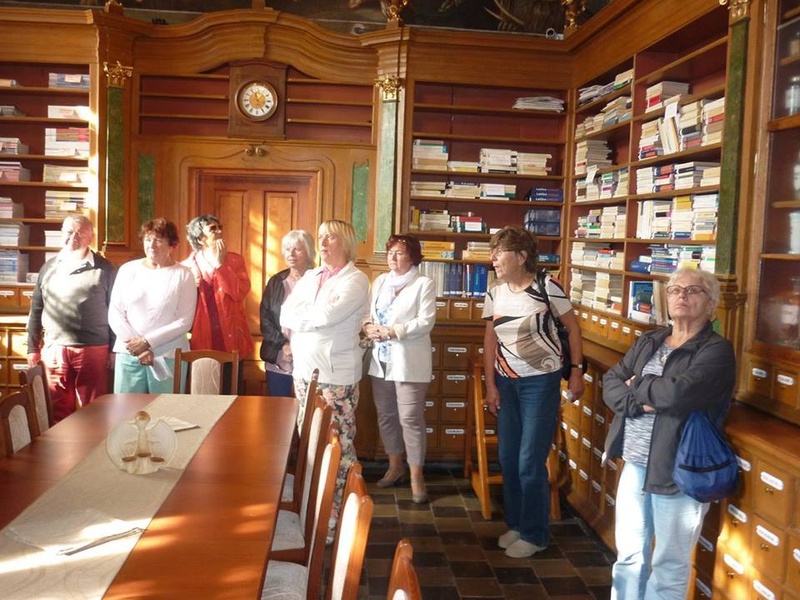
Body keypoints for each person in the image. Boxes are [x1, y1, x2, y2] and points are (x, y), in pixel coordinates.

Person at [603, 267, 735, 600]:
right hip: (635, 463)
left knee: (669, 565)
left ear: (711, 303)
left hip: (678, 468)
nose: (682, 296)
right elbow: (611, 382)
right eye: (675, 290)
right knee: (629, 556)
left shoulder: (716, 350)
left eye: (693, 290)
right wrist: (642, 401)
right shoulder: (650, 340)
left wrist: (638, 385)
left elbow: (678, 394)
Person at [481, 226, 585, 559]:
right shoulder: (495, 293)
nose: (493, 258)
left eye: (500, 252)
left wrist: (576, 372)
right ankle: (516, 524)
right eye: (493, 251)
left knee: (529, 460)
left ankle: (535, 534)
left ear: (521, 256)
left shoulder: (546, 286)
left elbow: (572, 329)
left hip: (540, 383)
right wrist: (490, 385)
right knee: (508, 457)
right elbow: (490, 340)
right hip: (506, 383)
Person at [280, 219, 369, 532]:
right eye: (320, 237)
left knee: (337, 449)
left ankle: (338, 520)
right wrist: (309, 318)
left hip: (336, 376)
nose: (322, 242)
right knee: (310, 444)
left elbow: (327, 316)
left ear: (345, 242)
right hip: (304, 373)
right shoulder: (311, 276)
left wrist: (306, 317)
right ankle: (314, 509)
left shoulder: (356, 280)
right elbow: (285, 313)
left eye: (330, 237)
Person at [363, 234, 436, 504]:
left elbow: (426, 321)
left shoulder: (423, 284)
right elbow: (367, 314)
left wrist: (393, 331)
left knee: (410, 419)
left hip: (409, 362)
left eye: (400, 253)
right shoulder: (380, 281)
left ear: (412, 257)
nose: (393, 257)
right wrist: (368, 327)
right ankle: (395, 466)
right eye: (390, 252)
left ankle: (417, 475)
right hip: (381, 361)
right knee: (386, 415)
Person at [26, 215, 117, 422]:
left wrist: (114, 349)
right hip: (55, 349)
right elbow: (36, 309)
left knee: (94, 411)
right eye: (69, 232)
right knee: (57, 409)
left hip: (94, 349)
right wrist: (32, 347)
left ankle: (93, 443)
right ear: (61, 234)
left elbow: (116, 310)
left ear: (91, 237)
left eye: (80, 233)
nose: (73, 237)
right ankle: (61, 444)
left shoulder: (105, 269)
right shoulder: (48, 267)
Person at [108, 218, 197, 393]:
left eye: (158, 240)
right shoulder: (127, 270)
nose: (152, 245)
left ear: (172, 245)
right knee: (125, 409)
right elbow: (115, 313)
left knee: (165, 409)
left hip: (169, 356)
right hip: (130, 354)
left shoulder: (184, 275)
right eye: (148, 239)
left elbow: (184, 321)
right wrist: (139, 348)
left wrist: (147, 342)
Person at [183, 215, 253, 392]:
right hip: (202, 338)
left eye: (220, 227)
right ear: (200, 238)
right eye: (213, 229)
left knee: (232, 395)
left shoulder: (235, 261)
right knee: (203, 395)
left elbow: (238, 293)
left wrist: (221, 266)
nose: (220, 231)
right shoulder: (187, 267)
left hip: (231, 338)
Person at [259, 229, 316, 397]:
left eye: (297, 249)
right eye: (287, 249)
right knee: (279, 408)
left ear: (309, 252)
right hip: (278, 356)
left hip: (310, 357)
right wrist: (284, 345)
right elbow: (265, 318)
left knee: (307, 408)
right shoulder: (276, 282)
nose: (291, 254)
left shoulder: (318, 280)